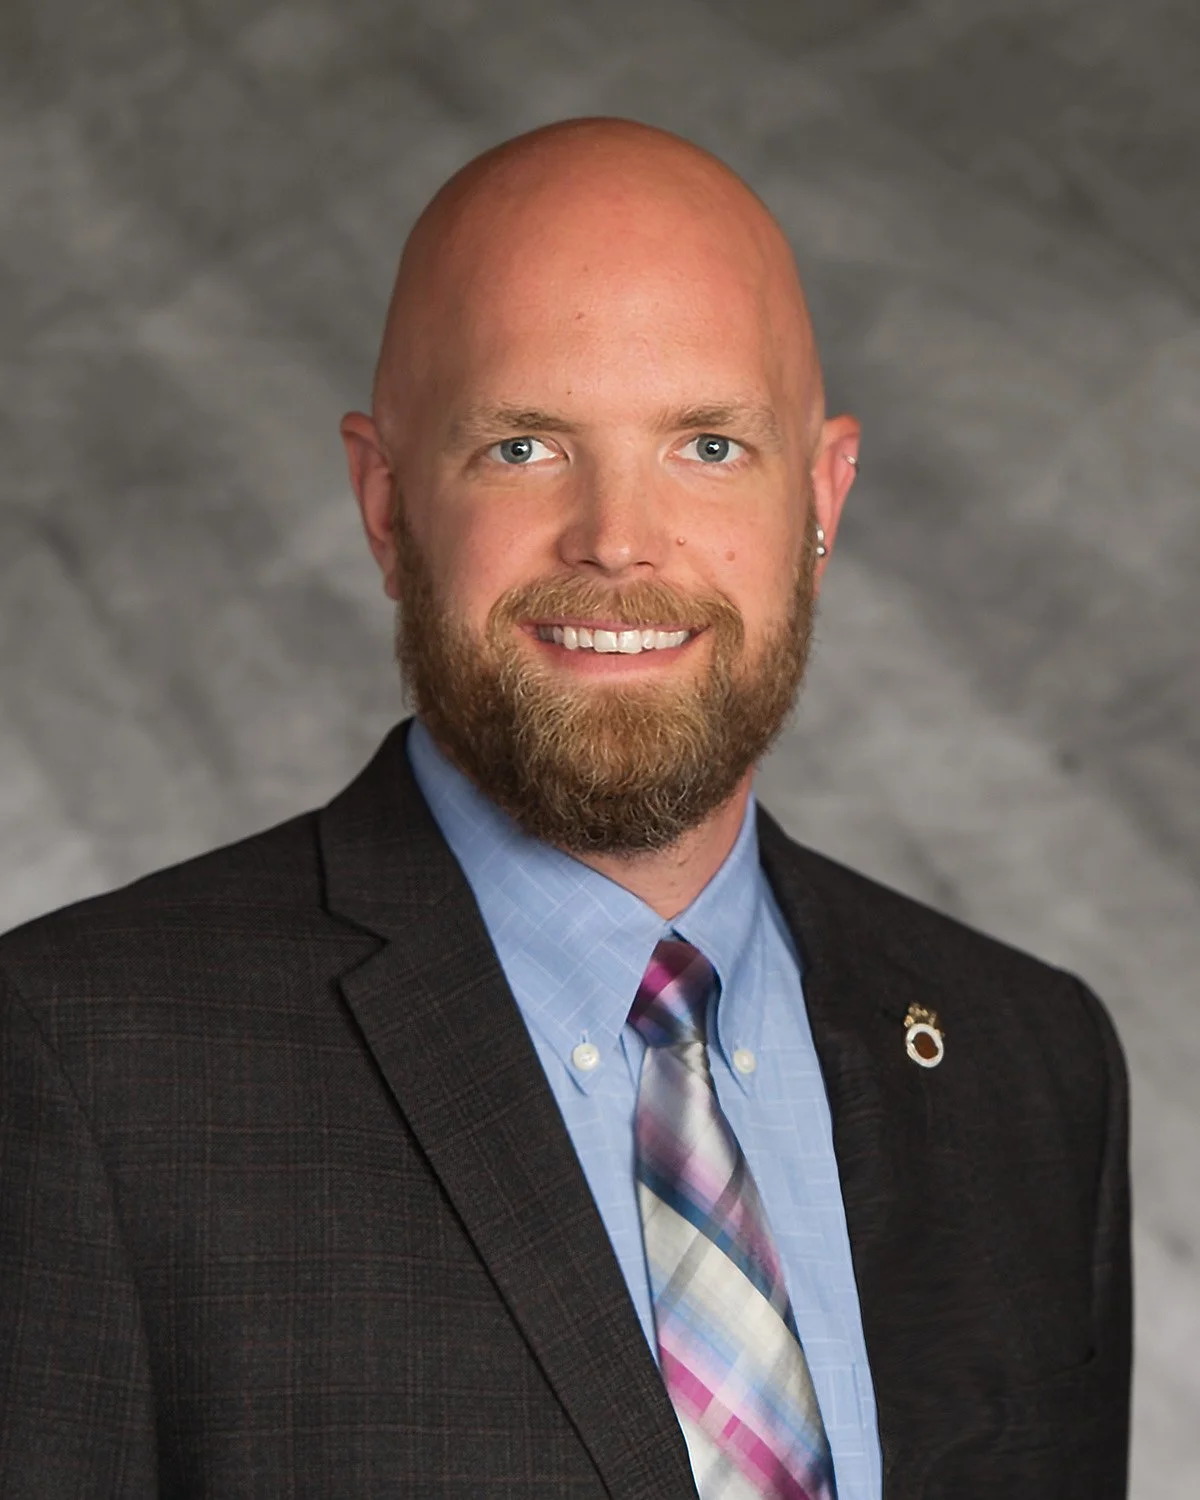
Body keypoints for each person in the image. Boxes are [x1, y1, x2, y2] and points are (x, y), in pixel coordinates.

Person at [0, 118, 1130, 1499]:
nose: (617, 538)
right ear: (385, 503)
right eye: (525, 447)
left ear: (822, 498)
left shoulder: (1030, 1068)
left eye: (710, 446)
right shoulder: (78, 1065)